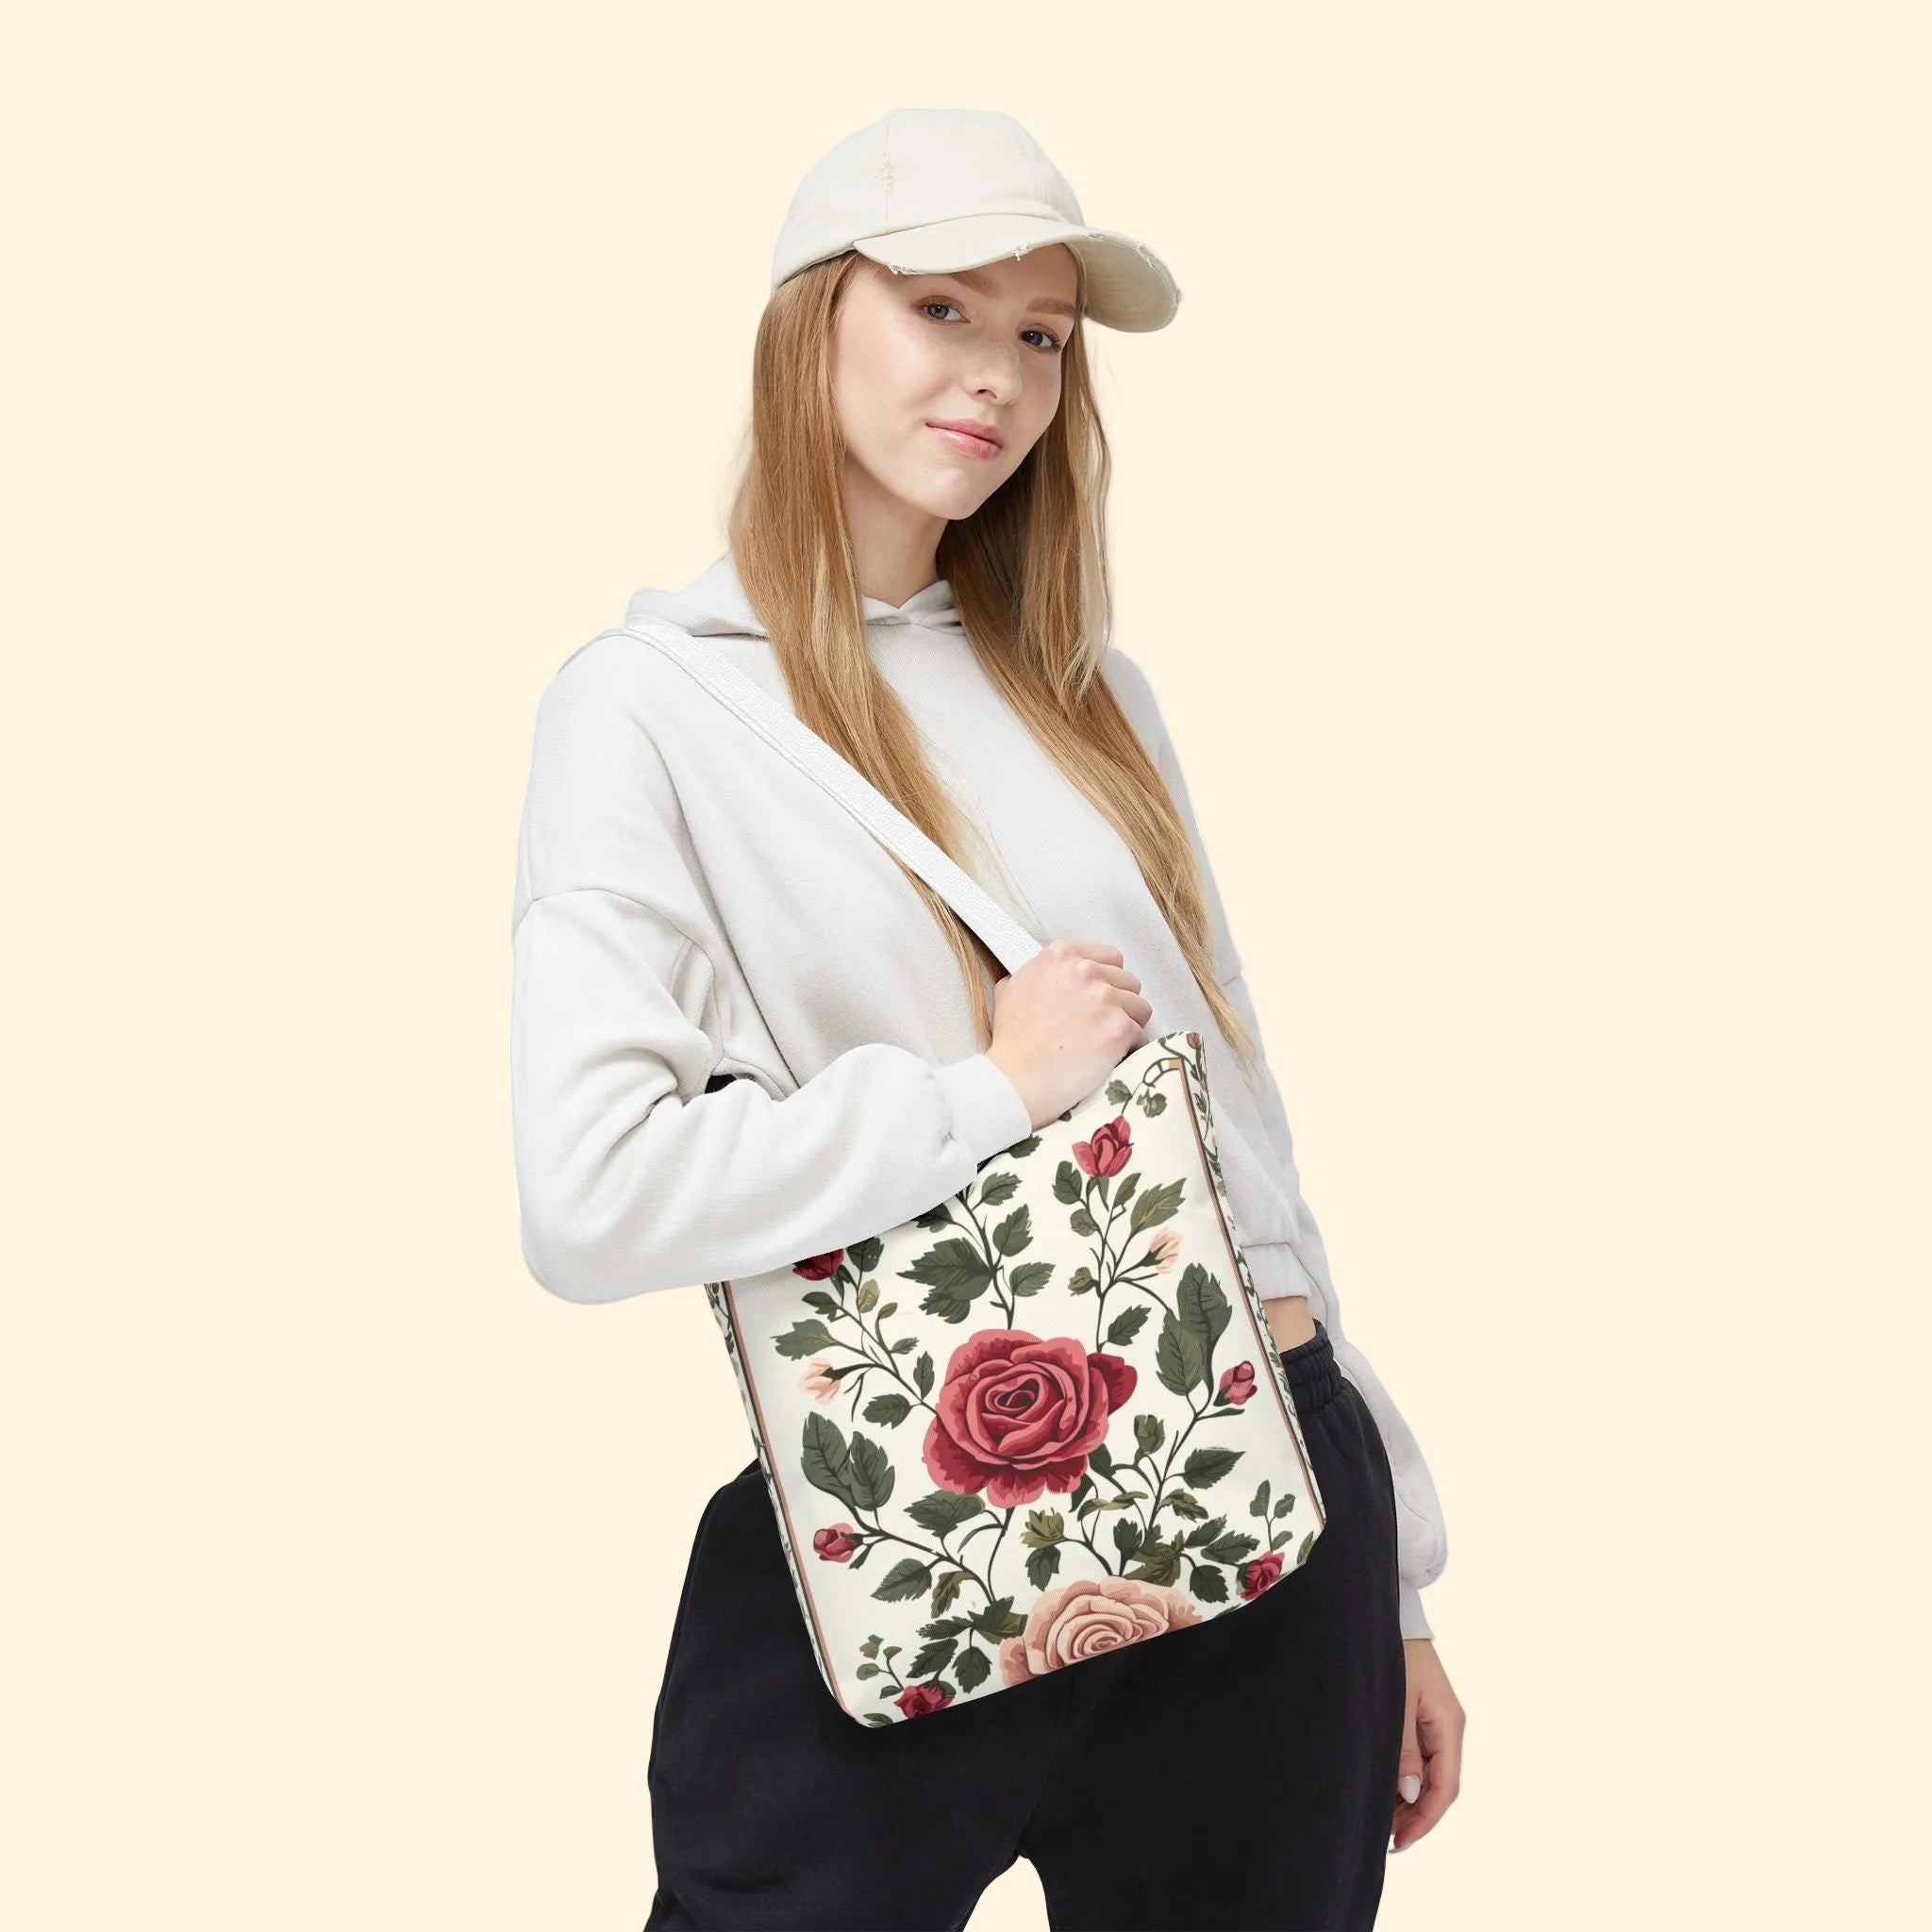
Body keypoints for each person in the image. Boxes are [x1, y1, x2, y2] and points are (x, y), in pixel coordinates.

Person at [509, 108, 1464, 1932]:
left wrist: (1400, 1575)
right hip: (913, 1516)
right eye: (942, 307)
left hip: (1269, 1498)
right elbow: (592, 1196)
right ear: (811, 323)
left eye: (1041, 335)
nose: (1001, 378)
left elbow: (1237, 1138)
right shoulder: (652, 709)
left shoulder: (1088, 691)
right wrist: (991, 1090)